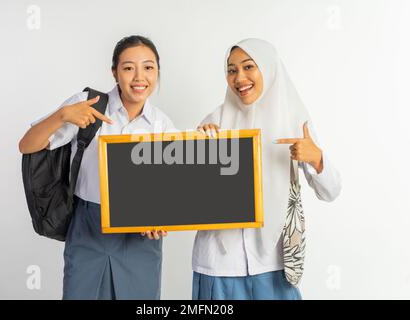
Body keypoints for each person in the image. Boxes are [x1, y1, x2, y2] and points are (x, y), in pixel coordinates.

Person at [19, 35, 175, 300]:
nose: (139, 77)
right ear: (114, 72)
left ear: (157, 71)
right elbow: (27, 145)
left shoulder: (163, 125)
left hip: (140, 239)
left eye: (148, 67)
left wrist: (160, 217)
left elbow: (170, 194)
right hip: (88, 227)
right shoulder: (88, 104)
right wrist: (62, 116)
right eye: (128, 67)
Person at [193, 38, 342, 300]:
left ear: (269, 68)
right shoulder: (214, 122)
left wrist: (316, 159)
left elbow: (330, 191)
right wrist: (196, 149)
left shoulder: (295, 122)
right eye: (231, 70)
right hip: (219, 266)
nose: (239, 78)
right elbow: (189, 194)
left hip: (275, 264)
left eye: (249, 67)